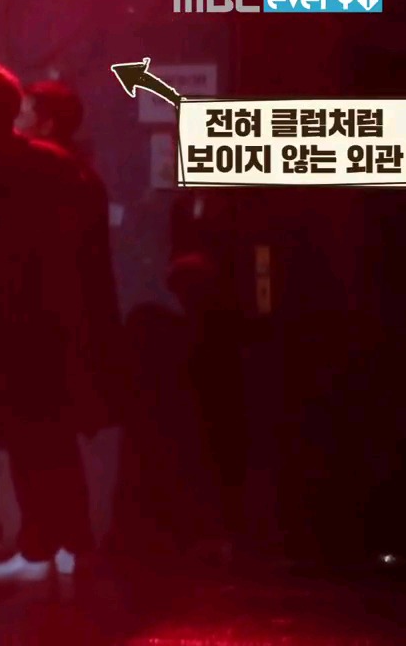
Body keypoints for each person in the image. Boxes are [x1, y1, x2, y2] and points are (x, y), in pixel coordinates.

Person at [0, 64, 113, 581]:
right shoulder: (61, 167)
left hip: (6, 329)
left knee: (26, 441)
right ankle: (69, 543)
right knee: (54, 437)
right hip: (52, 326)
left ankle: (40, 543)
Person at [168, 190, 247, 564]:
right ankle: (213, 531)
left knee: (218, 436)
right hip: (205, 338)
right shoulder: (186, 204)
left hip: (222, 337)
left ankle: (222, 531)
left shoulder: (226, 206)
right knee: (207, 436)